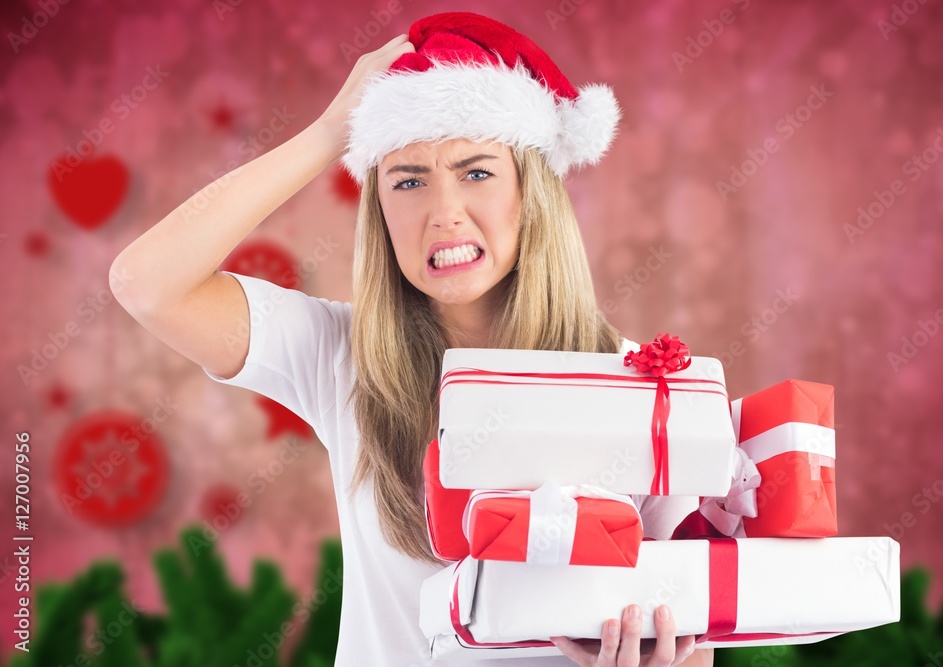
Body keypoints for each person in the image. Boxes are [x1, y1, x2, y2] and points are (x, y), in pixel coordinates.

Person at [111, 11, 713, 667]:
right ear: (381, 207)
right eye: (408, 180)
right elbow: (145, 281)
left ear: (531, 192)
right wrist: (326, 134)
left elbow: (688, 639)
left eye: (477, 171)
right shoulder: (341, 355)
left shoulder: (641, 386)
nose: (443, 212)